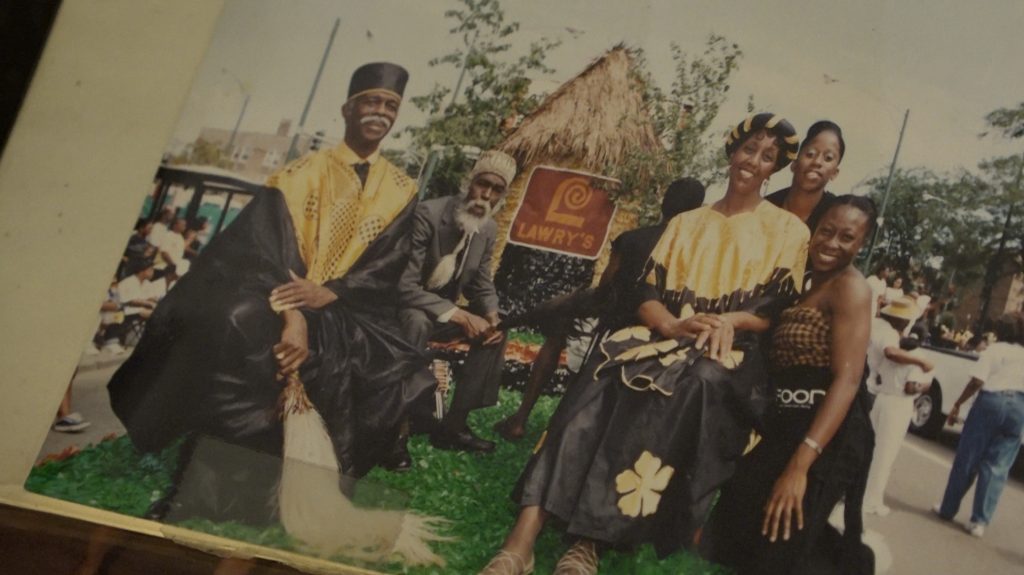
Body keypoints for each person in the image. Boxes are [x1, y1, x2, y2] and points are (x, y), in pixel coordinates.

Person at [479, 113, 808, 575]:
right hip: (664, 334)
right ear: (733, 152)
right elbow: (645, 294)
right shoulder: (686, 223)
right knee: (597, 377)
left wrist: (723, 321)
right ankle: (522, 541)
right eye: (748, 149)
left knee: (679, 389)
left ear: (774, 169)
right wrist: (672, 327)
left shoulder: (787, 231)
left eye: (767, 156)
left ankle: (588, 541)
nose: (753, 161)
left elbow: (772, 307)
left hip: (728, 349)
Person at [108, 62, 428, 523]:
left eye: (390, 105)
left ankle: (295, 490)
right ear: (348, 109)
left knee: (378, 372)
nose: (381, 111)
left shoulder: (402, 189)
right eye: (372, 101)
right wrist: (294, 313)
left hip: (349, 309)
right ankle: (194, 490)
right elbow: (262, 250)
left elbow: (390, 264)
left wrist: (333, 292)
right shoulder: (297, 175)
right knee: (232, 332)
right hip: (280, 296)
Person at [706, 195, 879, 575]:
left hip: (828, 436)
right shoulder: (805, 283)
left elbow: (848, 380)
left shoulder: (851, 289)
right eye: (827, 231)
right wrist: (733, 320)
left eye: (847, 238)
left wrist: (800, 466)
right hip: (787, 425)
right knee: (738, 516)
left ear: (861, 245)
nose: (832, 243)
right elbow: (775, 324)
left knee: (778, 540)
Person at [492, 177, 706, 442]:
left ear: (664, 203)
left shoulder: (631, 239)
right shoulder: (695, 252)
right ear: (697, 211)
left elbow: (606, 284)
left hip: (618, 319)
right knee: (564, 309)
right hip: (663, 323)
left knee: (557, 329)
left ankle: (520, 418)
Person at [396, 150, 517, 454]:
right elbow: (404, 285)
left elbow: (481, 283)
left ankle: (453, 426)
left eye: (496, 190)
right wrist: (460, 317)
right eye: (482, 184)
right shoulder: (429, 214)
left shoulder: (487, 228)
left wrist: (491, 315)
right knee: (417, 321)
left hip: (439, 314)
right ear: (469, 182)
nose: (486, 195)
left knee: (495, 333)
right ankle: (396, 425)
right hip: (401, 308)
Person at [934, 311, 1024, 538]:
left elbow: (977, 381)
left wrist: (958, 404)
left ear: (1000, 330)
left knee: (968, 458)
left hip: (991, 402)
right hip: (1019, 407)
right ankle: (979, 521)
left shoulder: (995, 350)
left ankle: (948, 509)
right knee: (998, 466)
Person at [862, 297, 934, 516]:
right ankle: (871, 499)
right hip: (897, 404)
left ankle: (857, 491)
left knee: (869, 447)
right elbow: (911, 387)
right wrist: (924, 372)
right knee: (885, 454)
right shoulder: (902, 348)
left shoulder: (876, 326)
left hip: (881, 396)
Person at [766, 120, 844, 233]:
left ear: (834, 173)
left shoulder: (836, 215)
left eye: (828, 158)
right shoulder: (766, 206)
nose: (817, 162)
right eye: (810, 154)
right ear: (794, 164)